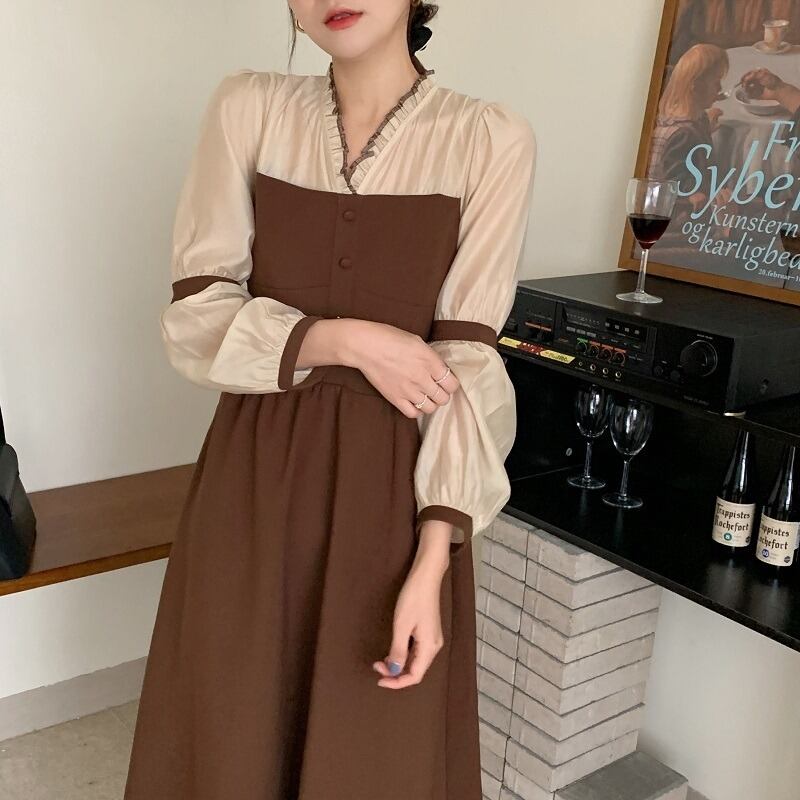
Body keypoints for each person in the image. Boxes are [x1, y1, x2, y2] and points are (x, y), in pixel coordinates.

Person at [122, 1, 537, 799]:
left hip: (394, 497)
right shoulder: (248, 108)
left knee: (371, 751)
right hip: (253, 479)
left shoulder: (488, 138)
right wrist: (348, 340)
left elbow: (467, 365)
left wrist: (434, 558)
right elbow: (196, 314)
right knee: (230, 726)